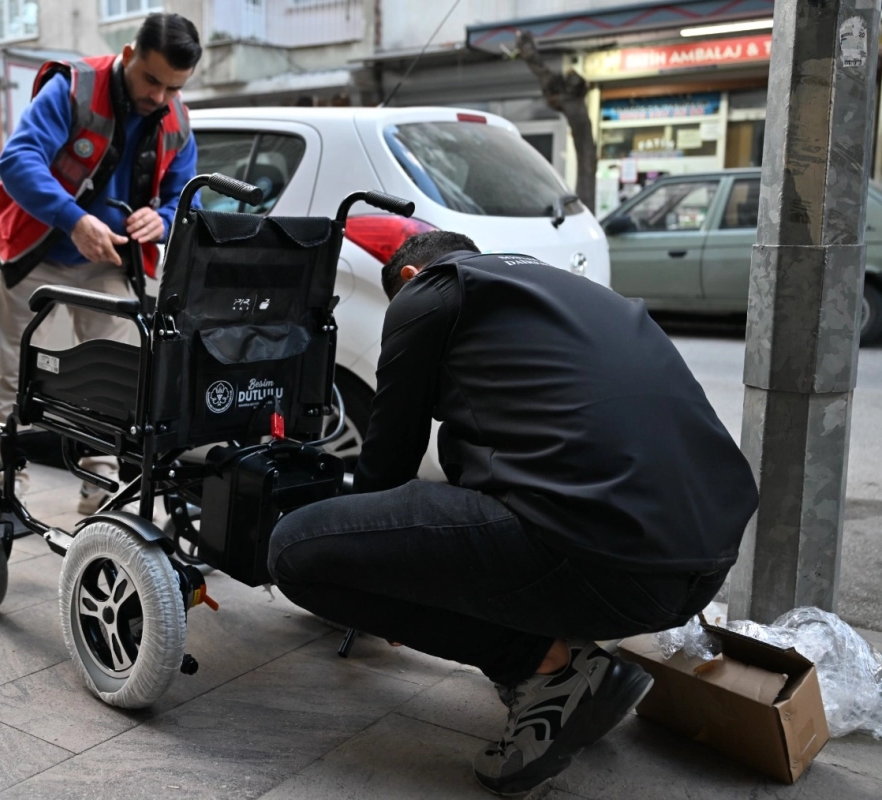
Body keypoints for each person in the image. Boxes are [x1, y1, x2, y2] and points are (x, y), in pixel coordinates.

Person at [268, 231, 759, 796]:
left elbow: (388, 462)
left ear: (408, 277)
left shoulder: (430, 289)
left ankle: (547, 668)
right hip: (696, 568)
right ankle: (566, 651)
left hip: (605, 562)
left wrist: (384, 578)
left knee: (293, 550)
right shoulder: (571, 292)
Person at [0, 13, 201, 513]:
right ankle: (4, 481)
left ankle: (99, 483)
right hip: (38, 249)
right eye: (151, 80)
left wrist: (163, 220)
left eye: (174, 87)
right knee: (14, 370)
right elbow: (17, 160)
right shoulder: (73, 89)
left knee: (111, 374)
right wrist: (74, 220)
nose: (159, 97)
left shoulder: (177, 120)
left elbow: (182, 198)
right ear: (128, 55)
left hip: (108, 259)